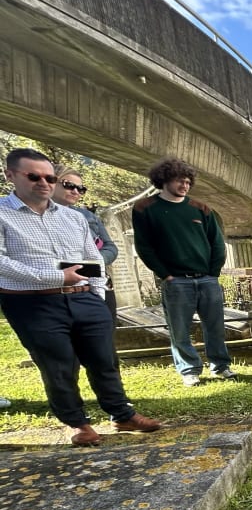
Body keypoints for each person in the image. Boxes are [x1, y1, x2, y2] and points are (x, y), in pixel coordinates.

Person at [1, 148, 160, 446]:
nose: (44, 183)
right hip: (32, 303)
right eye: (33, 176)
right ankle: (77, 423)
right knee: (57, 364)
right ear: (10, 175)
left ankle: (122, 415)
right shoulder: (2, 213)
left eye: (50, 177)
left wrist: (97, 295)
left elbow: (92, 259)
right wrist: (58, 277)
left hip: (85, 298)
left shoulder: (73, 218)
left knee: (104, 359)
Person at [132, 157, 236, 387]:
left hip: (207, 279)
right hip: (176, 280)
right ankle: (189, 370)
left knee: (216, 326)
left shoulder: (200, 209)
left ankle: (221, 366)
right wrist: (165, 274)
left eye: (188, 182)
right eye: (180, 180)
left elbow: (217, 242)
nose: (185, 185)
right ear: (164, 180)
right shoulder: (144, 209)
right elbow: (144, 246)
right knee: (179, 330)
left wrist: (213, 273)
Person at [52, 165, 119, 320]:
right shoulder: (34, 215)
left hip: (99, 283)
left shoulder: (87, 215)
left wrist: (93, 262)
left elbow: (111, 247)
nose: (75, 191)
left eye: (81, 188)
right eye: (69, 185)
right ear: (51, 182)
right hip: (60, 288)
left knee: (105, 336)